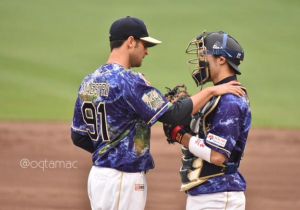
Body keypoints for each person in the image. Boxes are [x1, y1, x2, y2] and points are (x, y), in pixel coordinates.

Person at [70, 17, 245, 210]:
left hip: (98, 177)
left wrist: (107, 151)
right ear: (130, 42)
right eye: (144, 45)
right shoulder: (130, 81)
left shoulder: (90, 81)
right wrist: (211, 91)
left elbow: (78, 136)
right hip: (122, 178)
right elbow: (172, 116)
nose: (146, 52)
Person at [166, 31, 252, 210]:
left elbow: (217, 156)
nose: (200, 60)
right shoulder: (218, 95)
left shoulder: (230, 101)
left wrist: (180, 135)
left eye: (204, 54)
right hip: (209, 193)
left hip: (218, 196)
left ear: (221, 59)